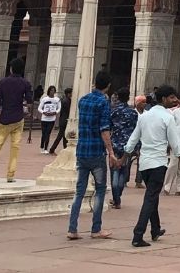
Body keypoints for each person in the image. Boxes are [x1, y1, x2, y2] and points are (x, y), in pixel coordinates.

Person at [127, 85, 180, 248]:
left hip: (145, 164)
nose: (175, 100)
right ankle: (138, 234)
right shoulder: (168, 117)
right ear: (163, 99)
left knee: (152, 196)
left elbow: (133, 139)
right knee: (150, 198)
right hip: (158, 163)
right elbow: (175, 144)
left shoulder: (144, 116)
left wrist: (124, 156)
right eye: (172, 98)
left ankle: (155, 229)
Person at [66, 70, 115, 241]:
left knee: (79, 191)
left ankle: (72, 228)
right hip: (96, 152)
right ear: (108, 86)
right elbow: (104, 129)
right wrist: (111, 151)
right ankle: (96, 228)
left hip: (82, 150)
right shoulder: (103, 102)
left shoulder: (83, 100)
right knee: (100, 190)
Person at [0, 57, 32, 183]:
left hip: (4, 118)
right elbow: (30, 101)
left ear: (11, 69)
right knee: (15, 148)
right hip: (18, 118)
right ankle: (10, 175)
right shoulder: (25, 83)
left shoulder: (3, 82)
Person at [108, 89, 139, 210]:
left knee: (115, 170)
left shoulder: (113, 111)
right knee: (124, 170)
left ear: (117, 97)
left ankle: (116, 199)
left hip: (115, 145)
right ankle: (118, 195)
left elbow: (108, 128)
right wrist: (137, 147)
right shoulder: (133, 113)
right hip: (128, 146)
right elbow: (137, 131)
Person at [48, 87, 73, 154]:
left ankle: (65, 148)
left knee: (64, 136)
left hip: (62, 119)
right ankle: (52, 149)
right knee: (60, 136)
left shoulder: (63, 100)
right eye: (71, 93)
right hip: (65, 120)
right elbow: (69, 111)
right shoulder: (67, 101)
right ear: (68, 94)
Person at [38, 85, 62, 151]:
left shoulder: (57, 99)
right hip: (44, 118)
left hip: (52, 119)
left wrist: (55, 112)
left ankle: (46, 148)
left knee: (48, 133)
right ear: (49, 91)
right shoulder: (44, 99)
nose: (52, 92)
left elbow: (59, 108)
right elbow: (39, 108)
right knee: (44, 133)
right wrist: (43, 112)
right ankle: (42, 147)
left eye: (53, 90)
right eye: (51, 90)